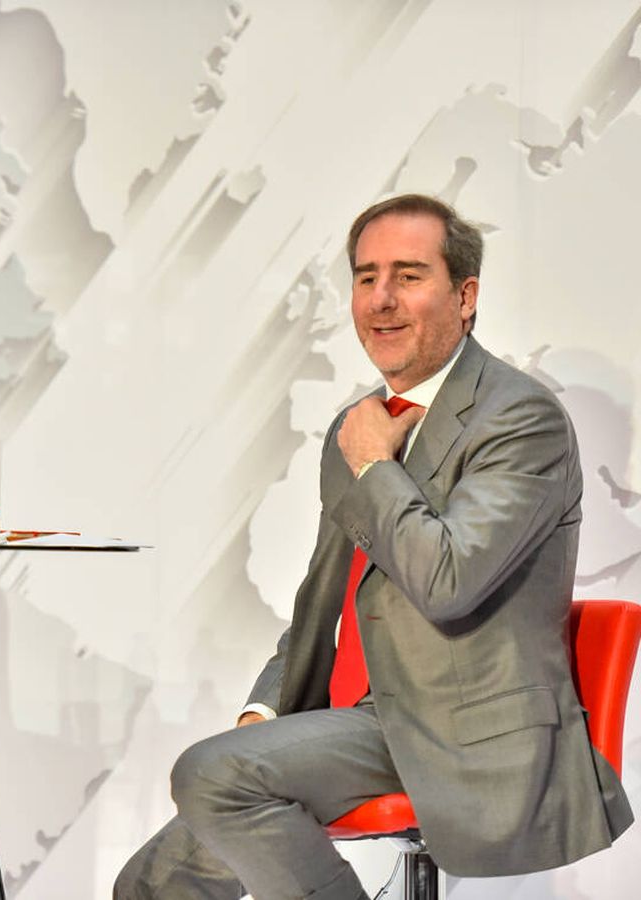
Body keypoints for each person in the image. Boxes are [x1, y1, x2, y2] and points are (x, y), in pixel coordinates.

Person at [116, 194, 633, 899]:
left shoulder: (519, 419)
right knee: (152, 885)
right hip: (365, 724)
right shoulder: (360, 425)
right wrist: (264, 712)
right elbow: (323, 603)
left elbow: (448, 581)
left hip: (466, 734)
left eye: (409, 276)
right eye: (366, 277)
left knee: (209, 774)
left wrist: (373, 466)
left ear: (466, 296)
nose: (381, 299)